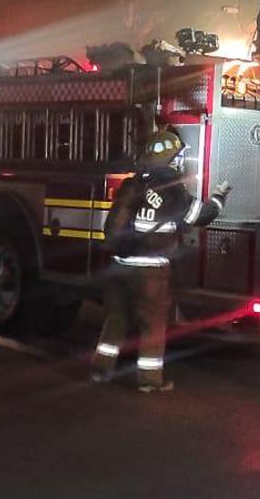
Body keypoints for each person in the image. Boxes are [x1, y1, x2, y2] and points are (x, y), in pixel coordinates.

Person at [91, 128, 230, 392]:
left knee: (116, 319)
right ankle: (150, 381)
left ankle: (100, 369)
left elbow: (111, 228)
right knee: (152, 324)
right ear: (170, 159)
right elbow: (198, 216)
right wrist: (219, 198)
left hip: (120, 265)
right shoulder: (173, 190)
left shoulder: (131, 185)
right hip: (150, 273)